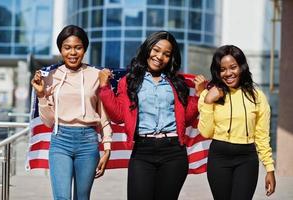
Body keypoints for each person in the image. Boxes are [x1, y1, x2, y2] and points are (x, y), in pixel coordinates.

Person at [98, 31, 206, 200]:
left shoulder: (177, 83)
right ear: (147, 49)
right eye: (156, 50)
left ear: (171, 58)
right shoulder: (129, 81)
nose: (159, 56)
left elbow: (186, 119)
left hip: (174, 152)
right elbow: (119, 116)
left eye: (166, 54)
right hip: (142, 151)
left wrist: (199, 96)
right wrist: (104, 88)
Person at [31, 25, 112, 200]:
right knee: (62, 198)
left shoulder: (97, 75)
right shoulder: (50, 76)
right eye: (67, 48)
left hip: (88, 142)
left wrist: (107, 148)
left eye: (78, 47)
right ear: (61, 50)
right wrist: (41, 95)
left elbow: (104, 116)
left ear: (85, 49)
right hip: (60, 140)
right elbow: (48, 121)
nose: (73, 52)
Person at [198, 45, 276, 200]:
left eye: (233, 67)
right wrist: (207, 101)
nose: (228, 73)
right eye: (222, 69)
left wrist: (269, 169)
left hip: (246, 159)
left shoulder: (257, 97)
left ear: (241, 67)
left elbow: (262, 136)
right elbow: (206, 132)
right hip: (218, 157)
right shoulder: (209, 95)